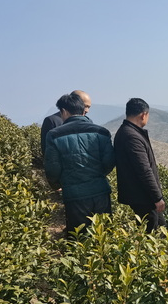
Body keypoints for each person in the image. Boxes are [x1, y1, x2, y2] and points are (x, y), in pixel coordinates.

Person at [44, 92, 115, 234]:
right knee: (103, 234)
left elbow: (52, 169)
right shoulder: (101, 132)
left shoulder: (54, 135)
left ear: (64, 111)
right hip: (100, 191)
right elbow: (109, 162)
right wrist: (97, 175)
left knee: (79, 236)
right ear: (83, 110)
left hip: (74, 195)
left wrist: (59, 184)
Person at [114, 98, 166, 231]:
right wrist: (157, 197)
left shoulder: (127, 132)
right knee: (152, 233)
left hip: (142, 196)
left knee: (160, 230)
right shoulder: (132, 136)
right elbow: (144, 170)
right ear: (143, 115)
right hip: (143, 197)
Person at [41, 89, 91, 155]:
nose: (87, 110)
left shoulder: (88, 122)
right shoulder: (52, 121)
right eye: (85, 106)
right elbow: (47, 151)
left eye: (89, 107)